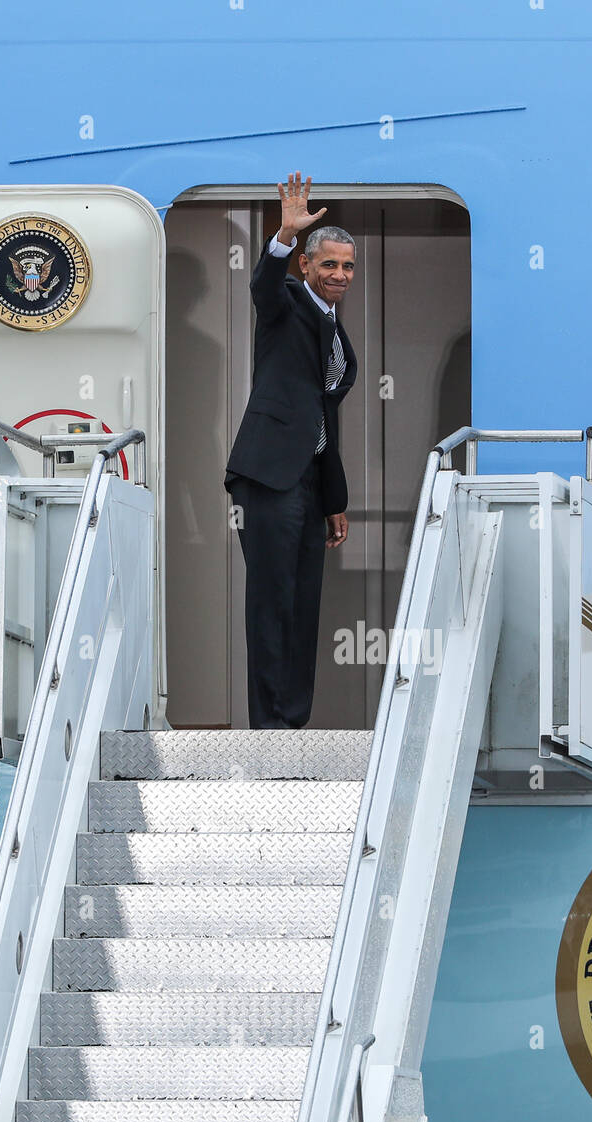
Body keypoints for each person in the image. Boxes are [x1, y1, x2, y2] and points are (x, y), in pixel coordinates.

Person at [223, 171, 357, 729]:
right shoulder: (283, 304)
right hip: (270, 478)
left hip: (308, 483)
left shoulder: (335, 328)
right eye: (329, 264)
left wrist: (333, 498)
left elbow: (323, 417)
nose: (339, 275)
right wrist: (284, 236)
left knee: (303, 607)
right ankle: (269, 729)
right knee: (272, 603)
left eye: (348, 267)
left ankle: (294, 724)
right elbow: (262, 286)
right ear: (307, 265)